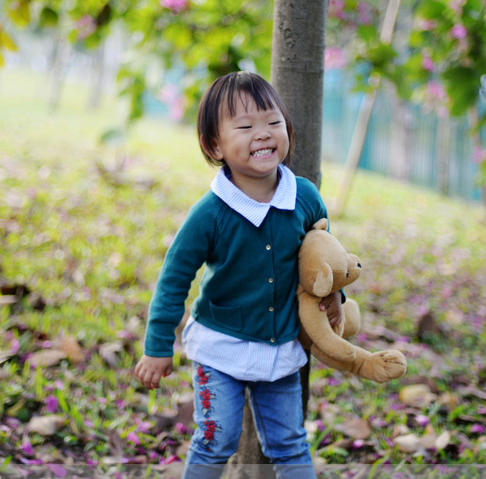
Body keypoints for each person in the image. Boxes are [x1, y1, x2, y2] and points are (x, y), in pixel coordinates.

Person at [135, 71, 343, 479]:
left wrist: (336, 296)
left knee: (290, 442)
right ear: (215, 144)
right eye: (245, 126)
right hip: (220, 350)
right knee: (216, 440)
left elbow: (324, 256)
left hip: (281, 349)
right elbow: (174, 278)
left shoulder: (305, 197)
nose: (263, 134)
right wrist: (158, 346)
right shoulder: (210, 214)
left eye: (273, 122)